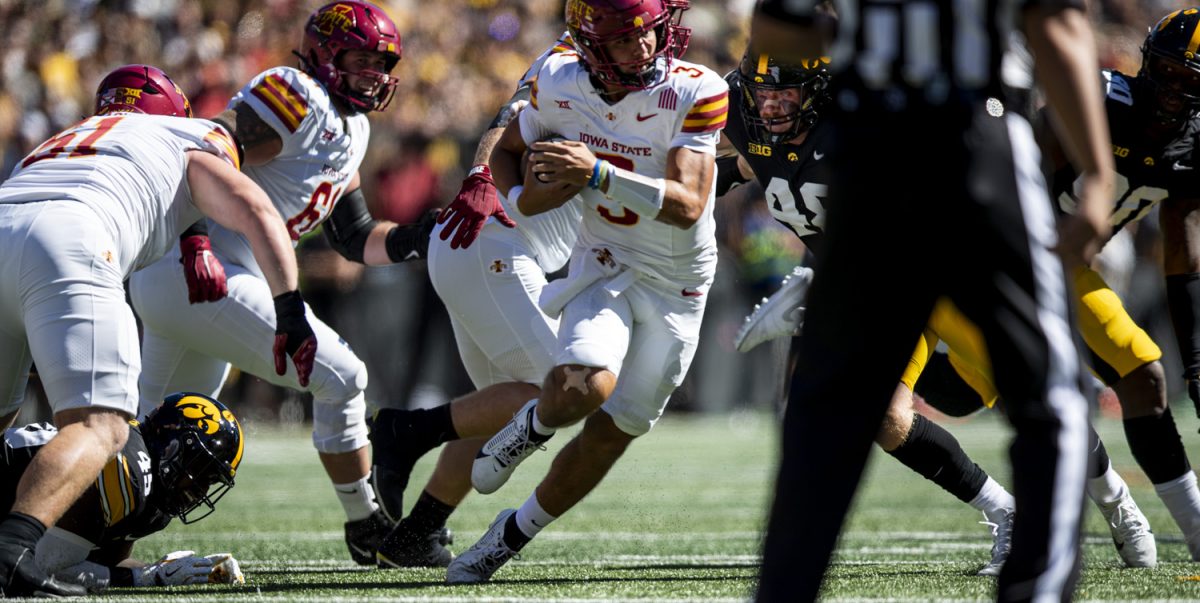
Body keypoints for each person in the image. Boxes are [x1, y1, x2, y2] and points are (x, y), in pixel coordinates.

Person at [722, 49, 1161, 573]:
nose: (770, 106)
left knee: (1027, 393)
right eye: (761, 93)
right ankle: (1005, 514)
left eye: (786, 93)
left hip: (940, 269)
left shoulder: (863, 124)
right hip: (874, 287)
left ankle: (1117, 504)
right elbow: (757, 159)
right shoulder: (744, 112)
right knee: (884, 417)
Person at [126, 0, 432, 566]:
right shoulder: (296, 91)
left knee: (148, 435)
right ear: (324, 54)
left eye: (381, 64)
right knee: (343, 378)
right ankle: (369, 527)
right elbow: (204, 151)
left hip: (195, 279)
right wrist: (194, 237)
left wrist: (425, 238)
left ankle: (80, 541)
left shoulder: (355, 126)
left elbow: (354, 234)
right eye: (362, 59)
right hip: (200, 269)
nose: (375, 74)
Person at [0, 64, 315, 596]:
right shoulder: (192, 135)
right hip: (71, 235)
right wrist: (289, 308)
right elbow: (253, 207)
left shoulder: (69, 137)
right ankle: (11, 550)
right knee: (102, 425)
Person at [442, 0, 725, 584]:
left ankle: (510, 533)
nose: (644, 49)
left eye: (649, 34)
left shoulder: (696, 89)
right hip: (607, 261)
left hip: (680, 286)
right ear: (593, 47)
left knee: (613, 434)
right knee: (584, 382)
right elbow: (509, 147)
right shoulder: (560, 81)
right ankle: (536, 424)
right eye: (625, 40)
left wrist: (595, 171)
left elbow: (688, 204)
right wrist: (521, 203)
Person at [370, 32, 579, 568]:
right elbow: (508, 116)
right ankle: (406, 431)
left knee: (494, 410)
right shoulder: (573, 65)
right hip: (490, 243)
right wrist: (483, 171)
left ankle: (418, 531)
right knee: (564, 389)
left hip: (483, 250)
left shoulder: (648, 85)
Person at [27, 392, 246, 592]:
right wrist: (150, 577)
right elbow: (47, 568)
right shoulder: (126, 465)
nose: (202, 489)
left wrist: (176, 570)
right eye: (201, 472)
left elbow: (104, 564)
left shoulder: (155, 499)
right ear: (172, 448)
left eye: (212, 481)